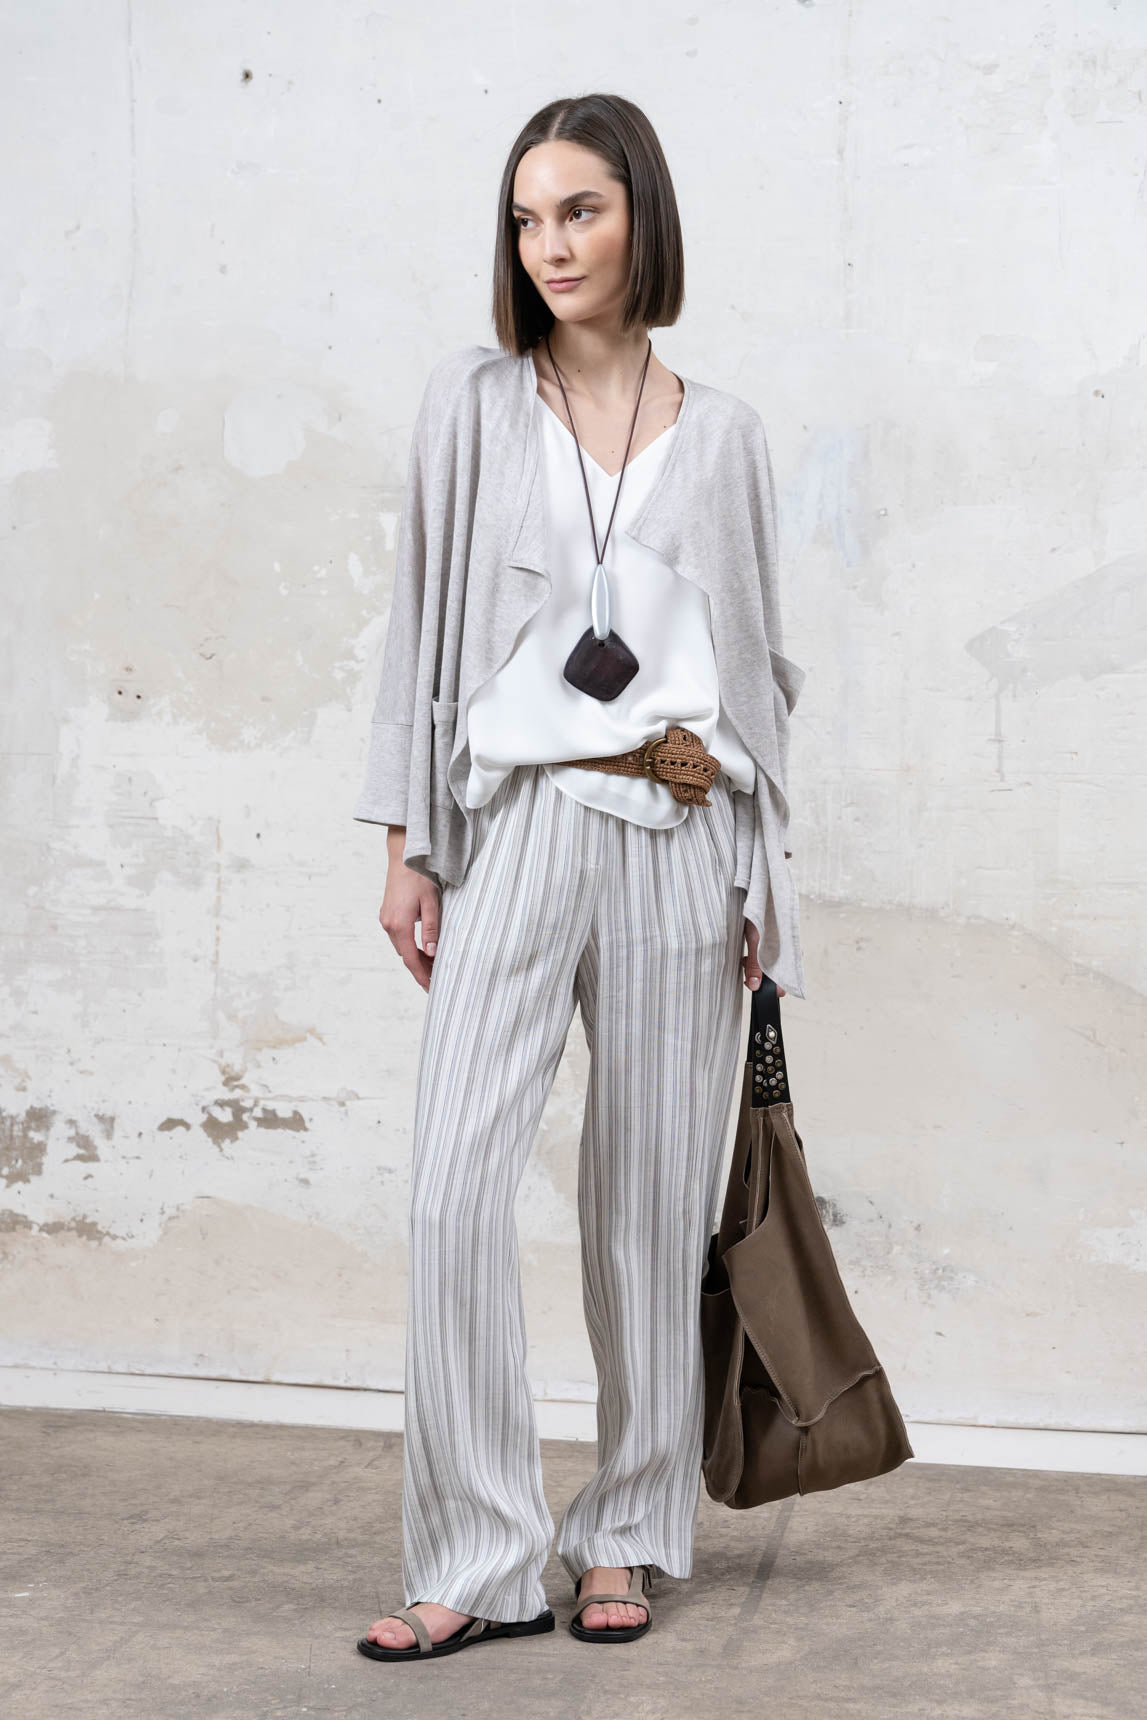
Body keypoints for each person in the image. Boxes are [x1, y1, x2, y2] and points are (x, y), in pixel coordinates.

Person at [354, 92, 806, 1663]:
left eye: (582, 211)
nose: (551, 245)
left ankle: (627, 1528)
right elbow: (420, 626)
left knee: (648, 1207)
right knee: (452, 1193)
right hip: (518, 823)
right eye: (529, 218)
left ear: (642, 218)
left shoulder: (725, 433)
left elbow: (757, 679)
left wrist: (763, 879)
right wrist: (407, 842)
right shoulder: (473, 403)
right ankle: (476, 1552)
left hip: (683, 832)